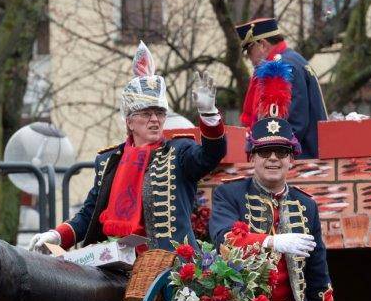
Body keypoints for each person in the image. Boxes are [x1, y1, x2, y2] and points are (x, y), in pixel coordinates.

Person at [28, 42, 226, 253]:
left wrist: (209, 115)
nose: (155, 119)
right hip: (118, 260)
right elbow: (90, 214)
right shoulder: (109, 160)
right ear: (129, 121)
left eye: (160, 113)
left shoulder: (179, 152)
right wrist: (57, 236)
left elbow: (212, 154)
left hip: (170, 263)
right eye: (146, 113)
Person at [208, 115, 346, 301]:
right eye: (264, 152)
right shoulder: (229, 195)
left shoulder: (307, 205)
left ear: (291, 159)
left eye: (281, 152)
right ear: (252, 156)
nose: (273, 158)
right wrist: (272, 241)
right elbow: (224, 238)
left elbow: (318, 272)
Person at [235, 17, 326, 159]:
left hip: (291, 159)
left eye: (249, 50)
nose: (248, 57)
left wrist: (267, 154)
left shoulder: (279, 67)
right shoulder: (294, 59)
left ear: (262, 45)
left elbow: (290, 125)